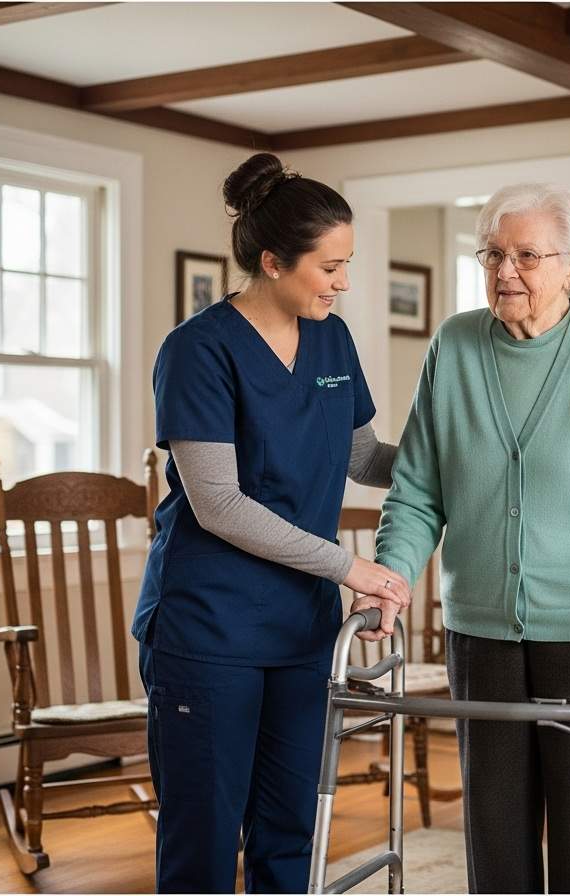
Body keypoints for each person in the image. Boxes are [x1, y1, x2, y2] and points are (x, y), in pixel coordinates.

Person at [369, 183, 570, 894]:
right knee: (494, 830)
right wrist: (391, 575)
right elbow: (419, 488)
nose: (505, 271)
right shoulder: (454, 344)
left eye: (526, 255)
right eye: (492, 254)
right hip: (481, 627)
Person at [131, 152, 410, 894]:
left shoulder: (331, 339)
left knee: (291, 829)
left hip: (301, 629)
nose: (343, 282)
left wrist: (456, 448)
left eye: (347, 264)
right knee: (205, 837)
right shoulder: (198, 349)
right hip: (209, 627)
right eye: (330, 267)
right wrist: (352, 566)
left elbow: (364, 457)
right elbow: (217, 503)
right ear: (272, 261)